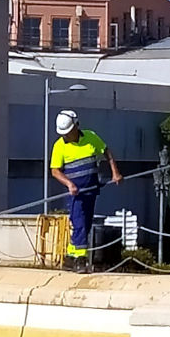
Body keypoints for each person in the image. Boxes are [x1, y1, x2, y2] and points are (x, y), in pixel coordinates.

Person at [50, 110, 122, 273]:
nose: (66, 136)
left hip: (91, 190)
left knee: (85, 224)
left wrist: (115, 172)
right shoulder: (59, 146)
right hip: (76, 194)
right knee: (80, 223)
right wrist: (69, 184)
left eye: (68, 132)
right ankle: (80, 259)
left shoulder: (91, 137)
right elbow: (55, 171)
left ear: (76, 126)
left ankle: (70, 256)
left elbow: (107, 153)